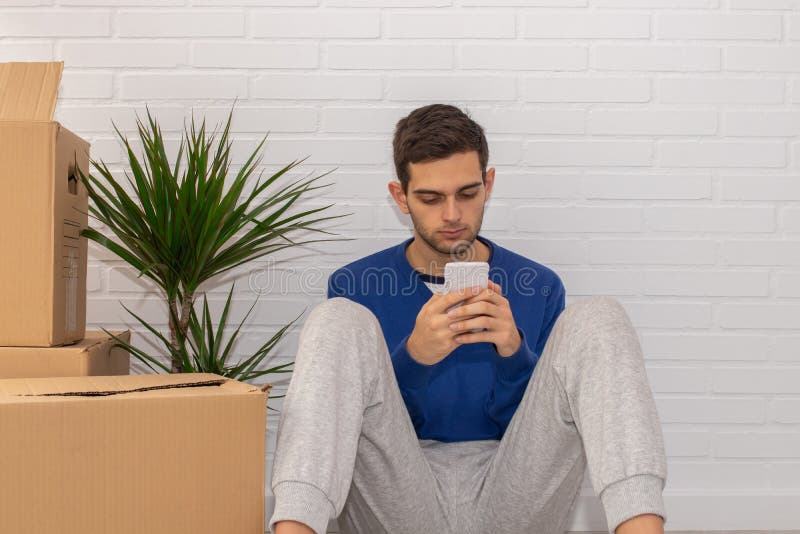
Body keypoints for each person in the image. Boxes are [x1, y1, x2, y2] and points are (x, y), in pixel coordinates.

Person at [269, 104, 667, 534]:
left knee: (599, 318)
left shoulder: (539, 285)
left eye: (467, 193)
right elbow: (363, 433)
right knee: (335, 320)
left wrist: (514, 355)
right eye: (431, 198)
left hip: (512, 496)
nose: (453, 215)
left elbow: (546, 432)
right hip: (398, 498)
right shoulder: (358, 286)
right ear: (400, 197)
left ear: (488, 184)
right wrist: (413, 358)